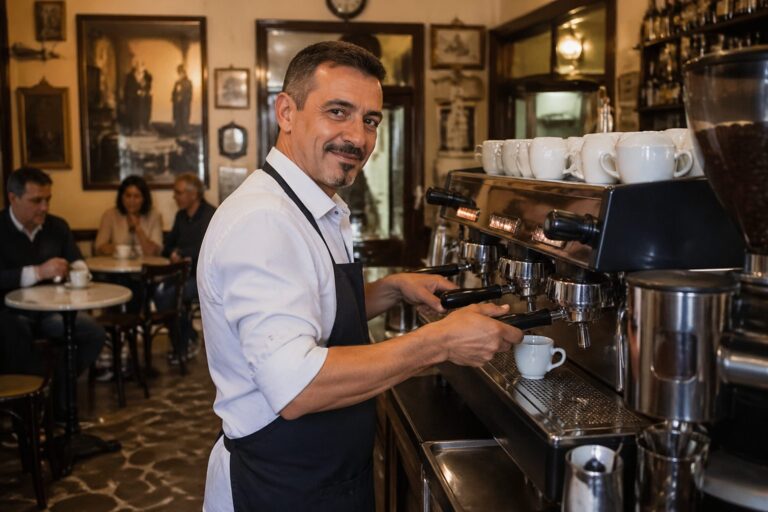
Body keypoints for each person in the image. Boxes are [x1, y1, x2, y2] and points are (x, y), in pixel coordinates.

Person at [199, 41, 522, 512]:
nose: (358, 137)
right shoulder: (263, 221)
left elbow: (310, 309)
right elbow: (297, 386)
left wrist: (390, 290)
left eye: (370, 120)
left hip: (324, 471)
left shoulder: (316, 204)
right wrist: (440, 343)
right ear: (286, 111)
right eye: (338, 112)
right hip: (280, 484)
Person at [0, 167, 105, 418]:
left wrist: (75, 272)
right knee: (17, 334)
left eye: (48, 200)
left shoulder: (57, 226)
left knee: (93, 333)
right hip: (11, 312)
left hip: (52, 311)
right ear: (13, 198)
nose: (44, 207)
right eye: (36, 200)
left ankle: (56, 390)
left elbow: (78, 262)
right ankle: (30, 409)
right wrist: (38, 272)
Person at [154, 173, 215, 363]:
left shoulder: (210, 214)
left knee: (169, 296)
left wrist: (183, 253)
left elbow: (209, 246)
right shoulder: (181, 216)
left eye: (179, 193)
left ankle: (183, 343)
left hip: (203, 277)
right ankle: (186, 339)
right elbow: (168, 245)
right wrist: (173, 252)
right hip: (181, 273)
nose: (175, 197)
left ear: (194, 194)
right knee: (157, 291)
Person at [95, 175, 163, 258]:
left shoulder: (154, 216)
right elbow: (98, 248)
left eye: (137, 196)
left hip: (147, 268)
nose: (132, 201)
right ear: (121, 197)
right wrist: (120, 249)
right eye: (128, 196)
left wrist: (138, 228)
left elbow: (152, 252)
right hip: (117, 267)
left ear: (144, 199)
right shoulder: (110, 215)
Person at [172, 64, 193, 135]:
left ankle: (185, 131)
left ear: (184, 73)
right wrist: (175, 98)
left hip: (184, 104)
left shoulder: (188, 82)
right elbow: (174, 92)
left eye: (181, 73)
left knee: (184, 117)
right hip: (177, 104)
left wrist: (182, 98)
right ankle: (178, 131)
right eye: (179, 73)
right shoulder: (177, 83)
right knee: (177, 117)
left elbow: (189, 94)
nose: (180, 74)